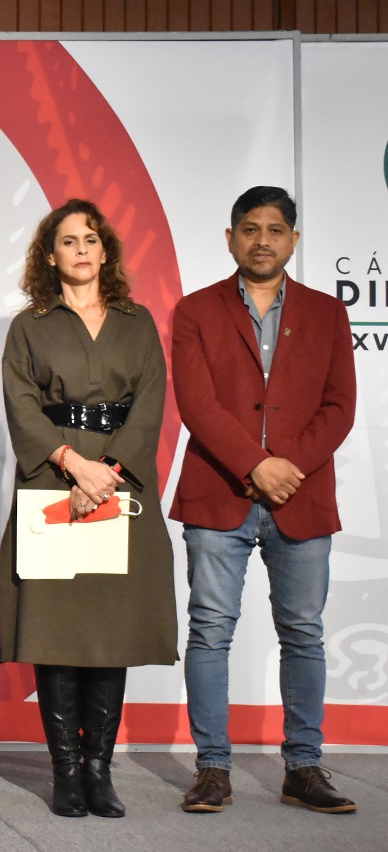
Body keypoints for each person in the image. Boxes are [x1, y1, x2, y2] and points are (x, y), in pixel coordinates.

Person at [171, 186, 357, 815]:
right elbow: (197, 404)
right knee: (209, 630)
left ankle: (303, 767)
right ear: (230, 238)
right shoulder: (196, 310)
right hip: (218, 491)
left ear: (293, 240)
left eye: (276, 230)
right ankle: (212, 769)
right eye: (250, 229)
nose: (262, 241)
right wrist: (255, 465)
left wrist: (287, 468)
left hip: (302, 495)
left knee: (303, 632)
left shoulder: (328, 313)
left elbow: (340, 407)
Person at [0, 199, 177, 818]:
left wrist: (108, 474)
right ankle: (66, 772)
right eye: (68, 241)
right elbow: (21, 403)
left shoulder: (137, 321)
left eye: (91, 240)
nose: (81, 249)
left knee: (111, 629)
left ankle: (100, 771)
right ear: (50, 256)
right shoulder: (30, 325)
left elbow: (150, 402)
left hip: (121, 483)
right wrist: (74, 465)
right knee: (58, 631)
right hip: (53, 479)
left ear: (105, 252)